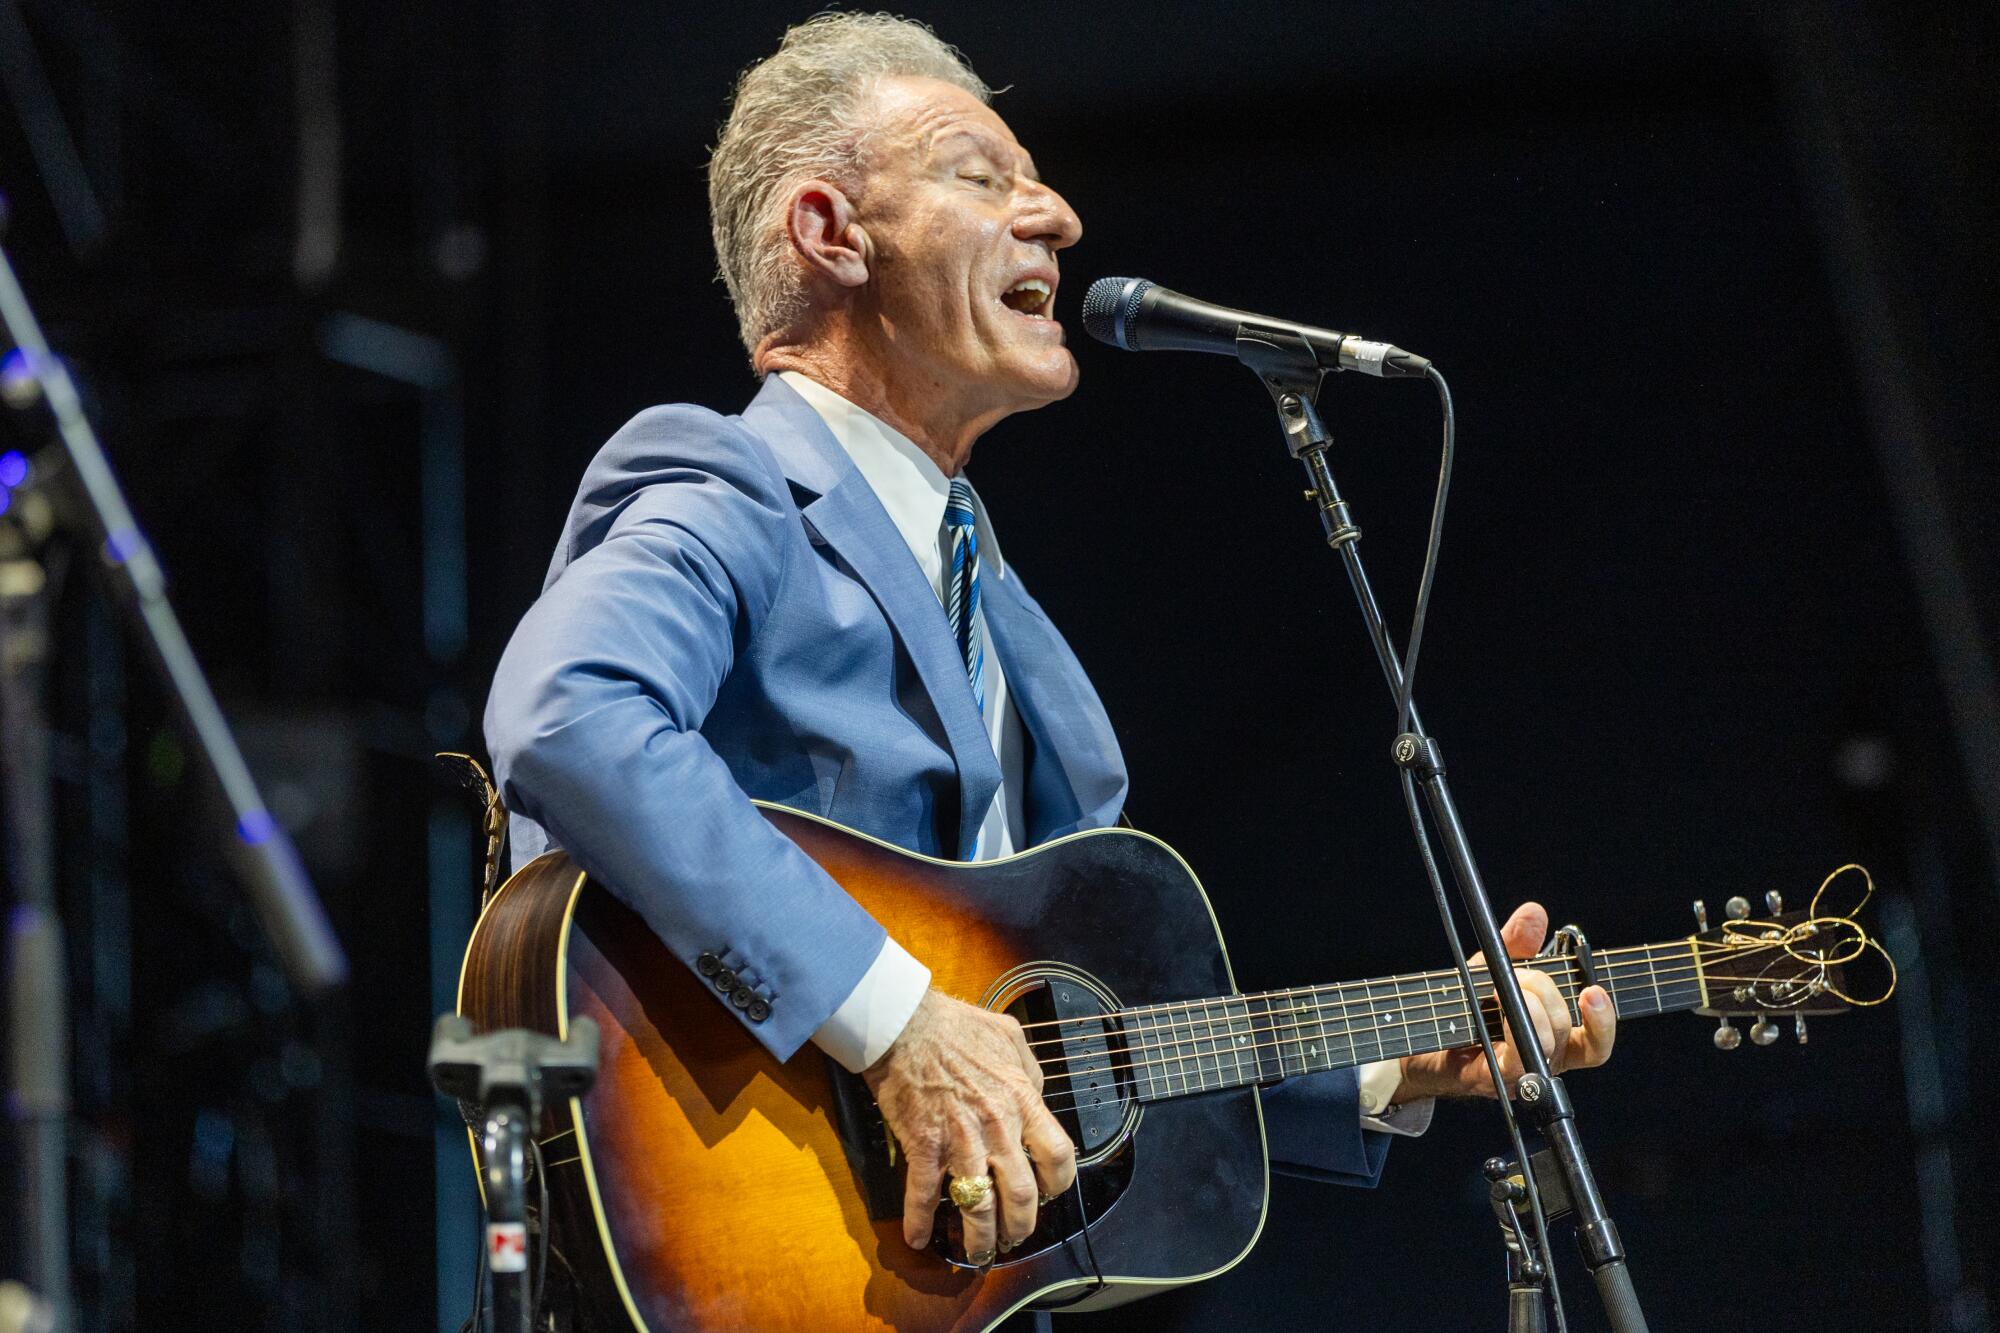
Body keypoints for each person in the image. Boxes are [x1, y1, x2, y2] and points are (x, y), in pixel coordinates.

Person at [484, 8, 1614, 1303]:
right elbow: (570, 709)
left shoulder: (992, 593)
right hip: (748, 1256)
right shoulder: (730, 482)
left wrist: (1403, 1059)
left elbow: (1078, 1040)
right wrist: (897, 1023)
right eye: (982, 176)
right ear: (829, 234)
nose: (1060, 216)